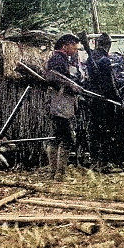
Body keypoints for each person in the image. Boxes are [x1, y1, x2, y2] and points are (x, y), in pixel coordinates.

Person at [86, 33, 124, 172]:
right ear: (108, 46)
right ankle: (110, 162)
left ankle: (107, 161)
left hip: (94, 100)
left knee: (100, 131)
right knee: (118, 129)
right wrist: (119, 101)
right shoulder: (104, 60)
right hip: (105, 101)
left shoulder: (91, 58)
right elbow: (109, 85)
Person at [45, 34, 83, 180]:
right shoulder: (57, 59)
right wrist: (71, 86)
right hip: (59, 104)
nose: (75, 48)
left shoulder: (63, 59)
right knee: (67, 138)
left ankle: (53, 172)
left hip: (60, 104)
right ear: (65, 46)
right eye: (73, 45)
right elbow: (53, 78)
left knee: (56, 137)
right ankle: (60, 173)